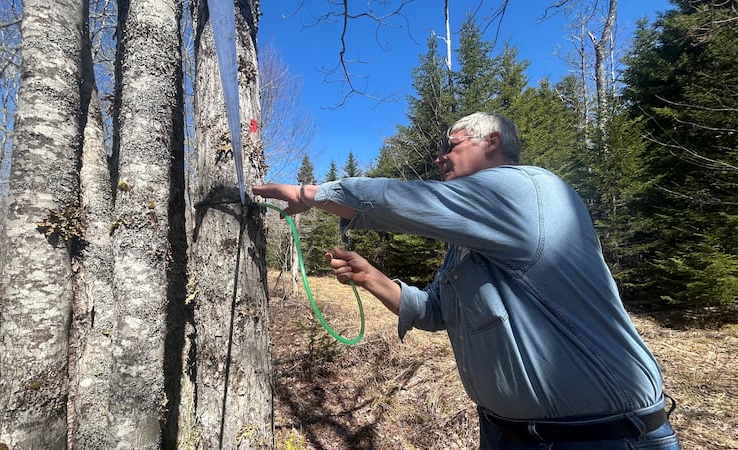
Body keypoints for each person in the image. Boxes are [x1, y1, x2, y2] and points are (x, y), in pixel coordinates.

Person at [252, 112, 680, 449]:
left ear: (491, 142)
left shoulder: (528, 189)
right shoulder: (469, 241)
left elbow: (403, 199)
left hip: (602, 437)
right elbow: (436, 311)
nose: (439, 157)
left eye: (450, 145)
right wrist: (372, 278)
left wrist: (310, 194)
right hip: (507, 433)